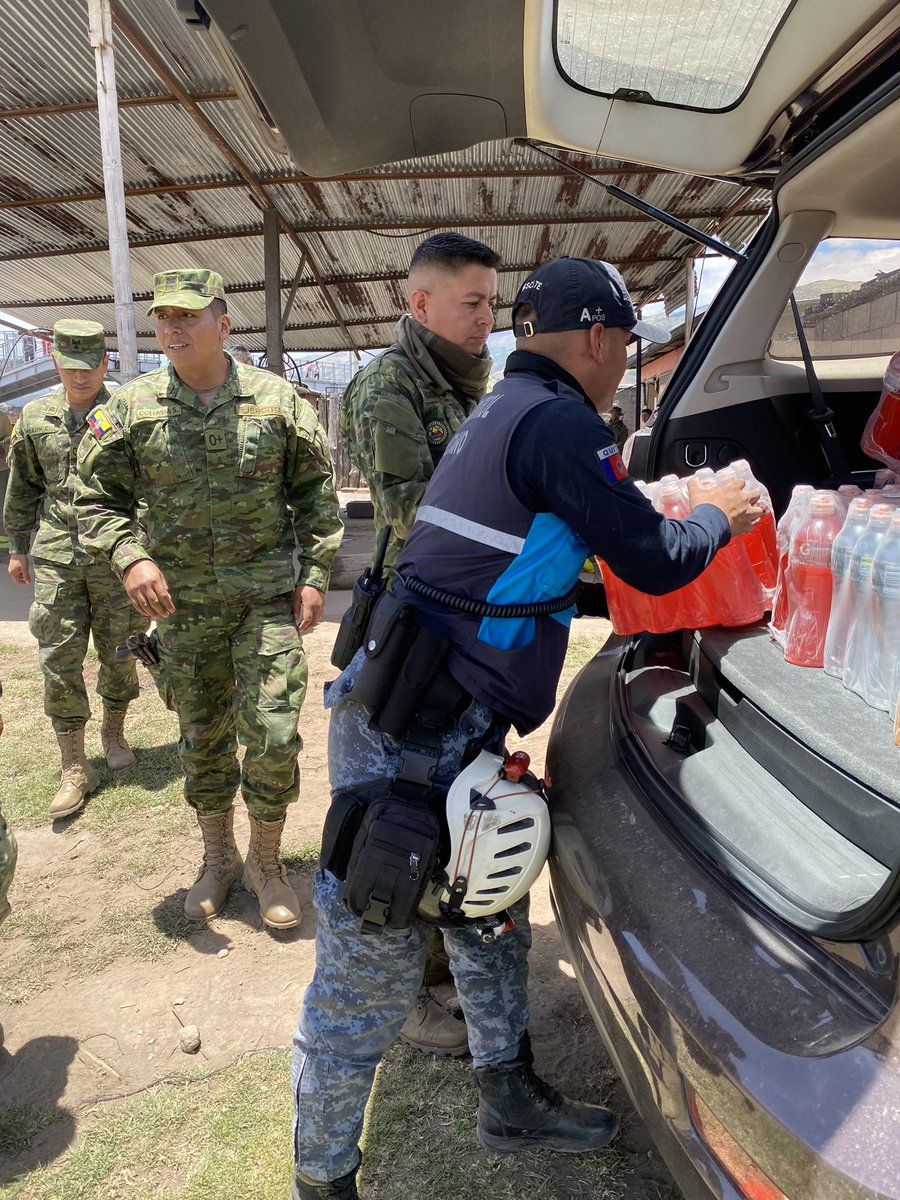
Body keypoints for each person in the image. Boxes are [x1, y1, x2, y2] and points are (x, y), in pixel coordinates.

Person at [290, 256, 761, 1199]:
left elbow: (543, 559)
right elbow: (661, 560)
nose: (621, 360)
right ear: (597, 339)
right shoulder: (555, 423)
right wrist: (718, 513)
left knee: (489, 914)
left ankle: (508, 1097)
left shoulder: (505, 409)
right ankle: (323, 1176)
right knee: (368, 966)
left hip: (445, 717)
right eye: (625, 346)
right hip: (411, 741)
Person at [74, 270, 343, 930]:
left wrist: (314, 574)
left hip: (263, 603)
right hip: (181, 610)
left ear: (223, 325)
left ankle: (267, 862)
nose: (173, 326)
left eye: (189, 315)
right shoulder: (130, 408)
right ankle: (218, 859)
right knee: (203, 739)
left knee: (275, 733)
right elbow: (94, 500)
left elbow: (315, 497)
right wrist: (131, 556)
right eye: (163, 314)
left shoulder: (277, 403)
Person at [339, 231, 500, 1058]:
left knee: (463, 797)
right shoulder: (386, 386)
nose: (486, 319)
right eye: (471, 302)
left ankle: (446, 968)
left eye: (491, 302)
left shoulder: (479, 386)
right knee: (407, 802)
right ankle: (413, 991)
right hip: (415, 633)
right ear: (421, 303)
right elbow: (414, 513)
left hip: (472, 625)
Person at [3, 320, 149, 820]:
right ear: (57, 362)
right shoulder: (36, 415)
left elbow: (146, 485)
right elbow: (22, 484)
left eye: (90, 367)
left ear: (105, 364)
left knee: (121, 648)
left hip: (113, 558)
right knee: (58, 655)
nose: (80, 377)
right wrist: (18, 546)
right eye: (71, 368)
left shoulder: (125, 412)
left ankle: (113, 731)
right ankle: (73, 762)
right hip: (58, 557)